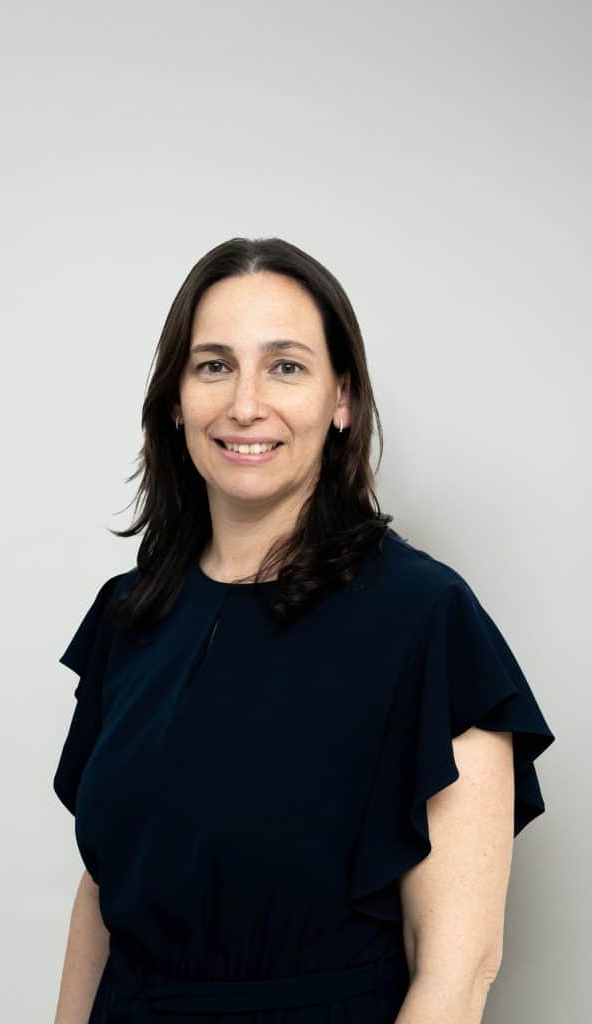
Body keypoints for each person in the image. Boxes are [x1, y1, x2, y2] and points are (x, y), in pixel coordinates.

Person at [52, 237, 556, 1024]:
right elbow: (102, 894)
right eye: (213, 365)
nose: (245, 404)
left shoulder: (426, 620)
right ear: (176, 399)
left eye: (285, 366)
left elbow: (457, 975)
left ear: (341, 399)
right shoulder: (130, 614)